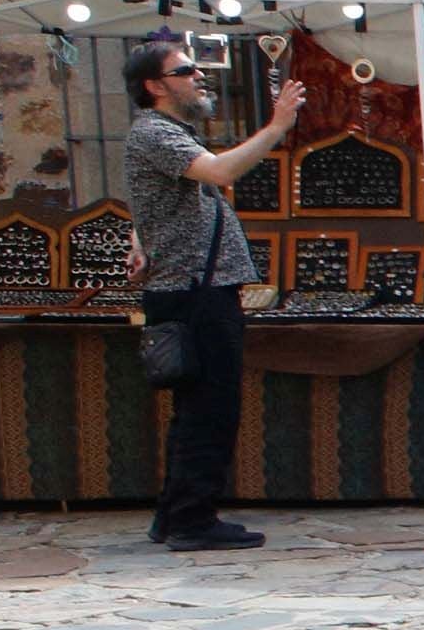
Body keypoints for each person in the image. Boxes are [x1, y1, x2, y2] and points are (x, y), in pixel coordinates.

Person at [121, 39, 303, 554]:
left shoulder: (170, 134)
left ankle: (175, 515)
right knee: (210, 410)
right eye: (185, 71)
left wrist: (141, 240)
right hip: (191, 294)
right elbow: (221, 173)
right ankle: (191, 521)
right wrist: (276, 127)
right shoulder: (156, 132)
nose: (199, 77)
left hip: (194, 288)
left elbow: (149, 200)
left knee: (198, 410)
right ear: (155, 86)